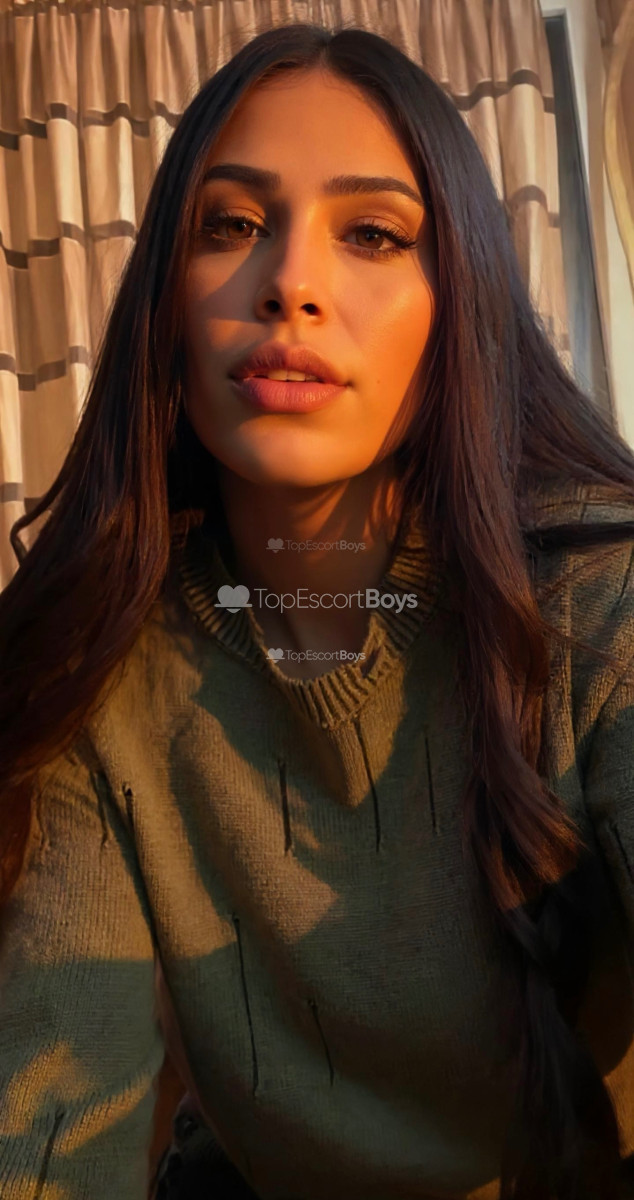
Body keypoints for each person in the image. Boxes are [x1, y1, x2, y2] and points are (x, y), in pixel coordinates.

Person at [0, 20, 633, 1200]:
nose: (288, 283)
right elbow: (52, 1130)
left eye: (373, 234)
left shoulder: (601, 597)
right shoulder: (101, 659)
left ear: (462, 303)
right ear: (164, 304)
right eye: (232, 225)